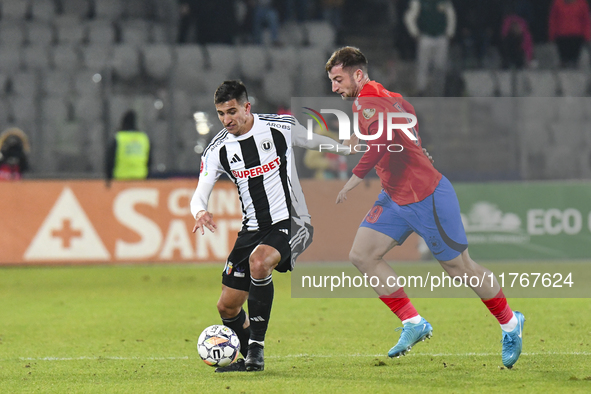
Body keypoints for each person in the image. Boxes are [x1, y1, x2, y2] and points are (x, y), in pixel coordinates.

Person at [325, 46, 525, 368]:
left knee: (462, 269)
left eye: (338, 79)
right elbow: (406, 113)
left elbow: (380, 144)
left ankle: (511, 324)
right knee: (362, 254)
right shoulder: (381, 97)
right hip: (394, 196)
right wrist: (408, 143)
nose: (334, 88)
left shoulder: (367, 100)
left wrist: (352, 179)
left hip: (425, 196)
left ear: (358, 75)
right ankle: (413, 323)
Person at [190, 80, 349, 372]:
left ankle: (256, 351)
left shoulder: (280, 127)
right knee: (226, 307)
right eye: (221, 113)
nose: (227, 120)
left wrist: (350, 148)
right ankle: (249, 348)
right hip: (251, 229)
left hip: (288, 221)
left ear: (247, 107)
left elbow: (316, 141)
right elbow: (201, 191)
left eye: (232, 111)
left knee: (260, 262)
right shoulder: (218, 149)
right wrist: (200, 211)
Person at [404, 0, 456, 96]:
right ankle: (421, 89)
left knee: (440, 66)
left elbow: (451, 16)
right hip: (425, 37)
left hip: (441, 37)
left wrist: (450, 32)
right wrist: (414, 33)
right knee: (423, 65)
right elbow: (409, 17)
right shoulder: (418, 1)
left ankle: (439, 89)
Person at [105, 110, 152, 185]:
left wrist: (108, 178)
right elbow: (149, 160)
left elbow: (110, 160)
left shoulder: (119, 138)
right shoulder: (143, 138)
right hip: (141, 178)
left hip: (121, 178)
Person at [548, 0, 591, 68]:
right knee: (563, 61)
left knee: (574, 61)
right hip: (561, 37)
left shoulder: (582, 3)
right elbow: (553, 19)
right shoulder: (557, 3)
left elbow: (586, 21)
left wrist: (587, 36)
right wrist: (552, 34)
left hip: (577, 37)